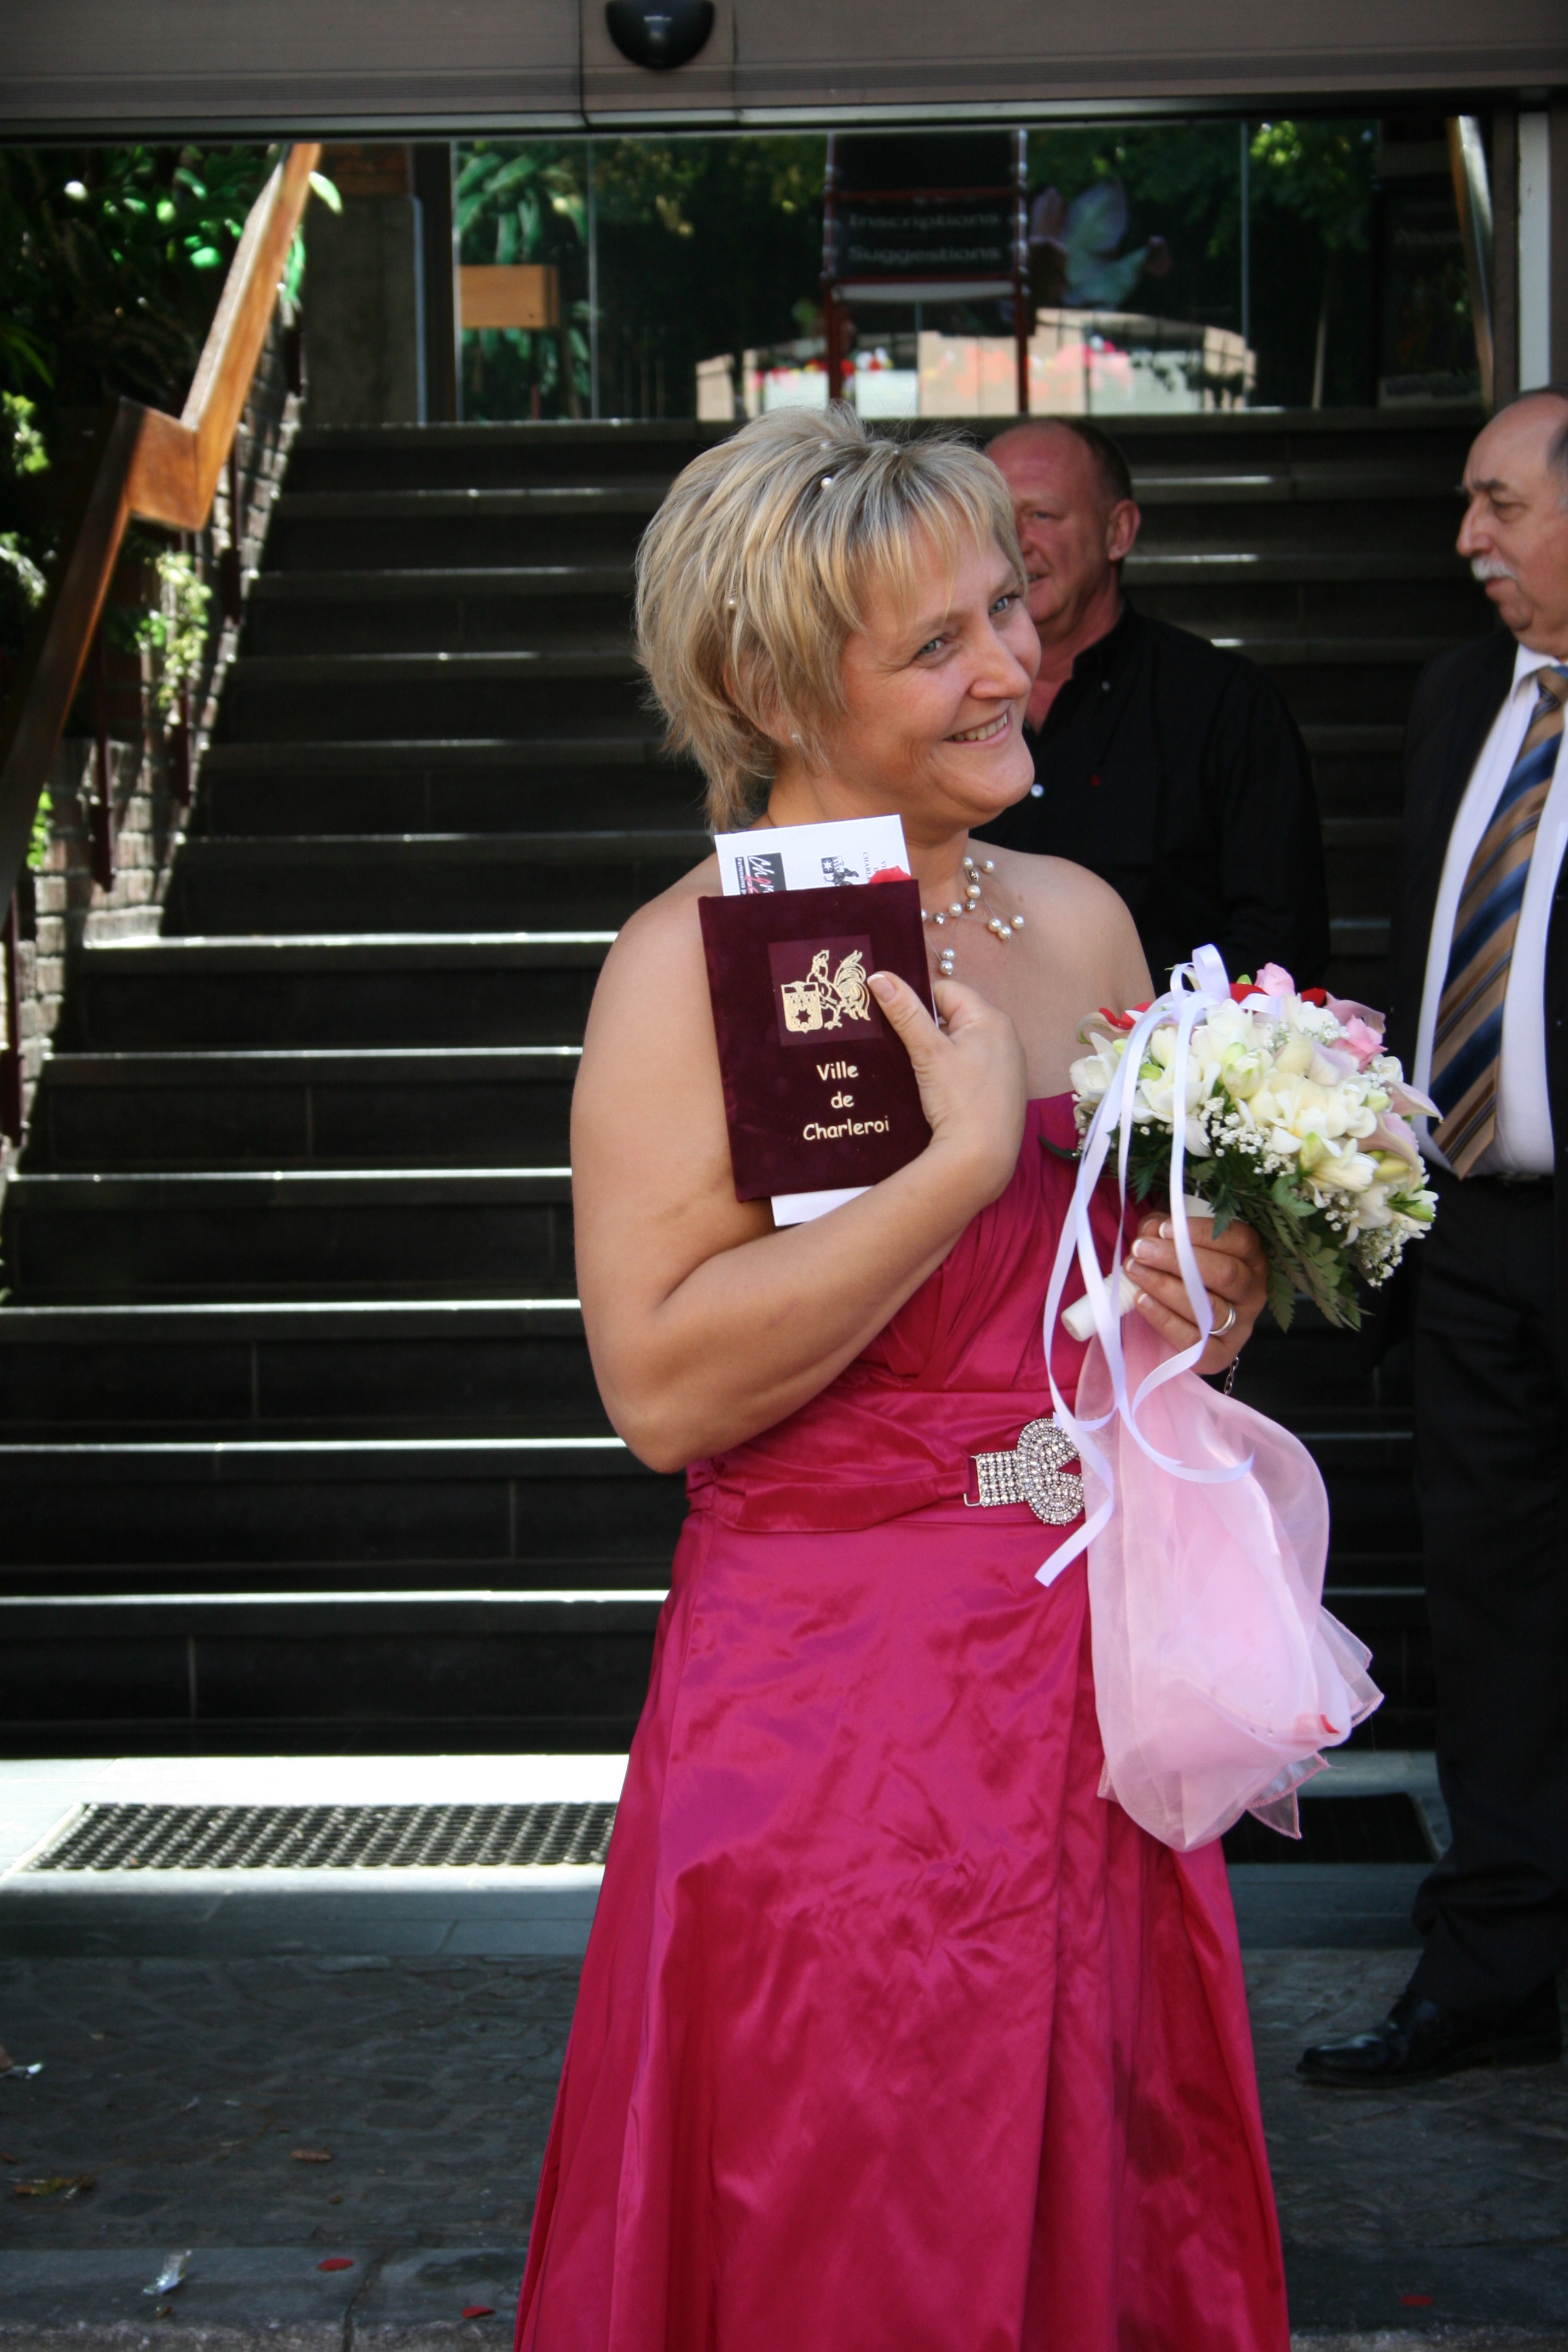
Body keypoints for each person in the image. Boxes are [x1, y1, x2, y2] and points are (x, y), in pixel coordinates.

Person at [514, 404, 1287, 2351]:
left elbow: (1106, 1308)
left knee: (1100, 2204)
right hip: (837, 1715)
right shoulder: (702, 960)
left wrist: (1204, 1291)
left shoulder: (1081, 915)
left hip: (1084, 1682)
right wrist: (952, 1172)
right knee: (859, 2229)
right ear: (779, 689)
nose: (1014, 666)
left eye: (1006, 610)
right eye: (938, 645)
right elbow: (665, 1393)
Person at [1299, 387, 1568, 2087]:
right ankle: (1494, 1966)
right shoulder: (1461, 693)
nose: (1466, 539)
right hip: (1471, 1241)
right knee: (1490, 1614)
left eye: (1499, 505)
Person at [973, 417, 1330, 990]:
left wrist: (1146, 1030)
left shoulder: (1223, 703)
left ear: (1119, 531)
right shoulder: (946, 705)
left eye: (1040, 515)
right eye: (994, 518)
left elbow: (1280, 939)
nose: (1013, 542)